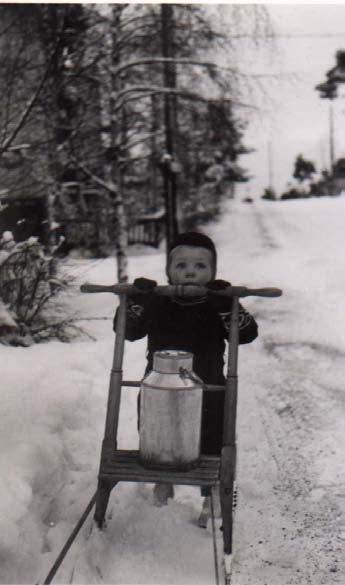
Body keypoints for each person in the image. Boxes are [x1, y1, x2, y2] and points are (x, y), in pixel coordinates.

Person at [114, 232, 258, 514]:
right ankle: (163, 483)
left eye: (200, 266)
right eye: (181, 266)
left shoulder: (217, 302)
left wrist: (227, 304)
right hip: (160, 386)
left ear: (213, 271)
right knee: (158, 433)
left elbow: (247, 333)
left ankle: (212, 493)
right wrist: (137, 300)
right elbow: (128, 331)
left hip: (209, 387)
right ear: (168, 271)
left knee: (213, 436)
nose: (190, 272)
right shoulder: (159, 300)